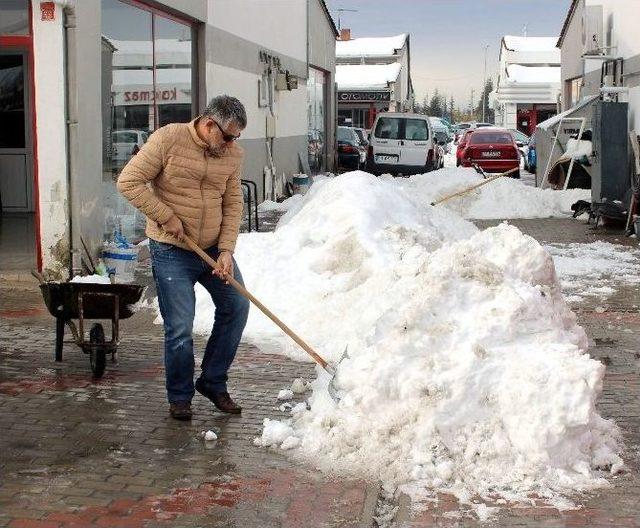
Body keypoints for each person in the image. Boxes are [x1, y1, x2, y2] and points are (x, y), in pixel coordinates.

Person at [117, 95, 250, 421]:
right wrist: (165, 216)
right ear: (209, 125)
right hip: (171, 250)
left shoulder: (232, 154)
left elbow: (233, 203)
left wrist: (227, 250)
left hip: (211, 251)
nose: (232, 144)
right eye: (228, 136)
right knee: (179, 327)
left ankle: (213, 381)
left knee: (237, 305)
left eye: (236, 138)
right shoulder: (168, 139)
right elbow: (128, 181)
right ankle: (180, 397)